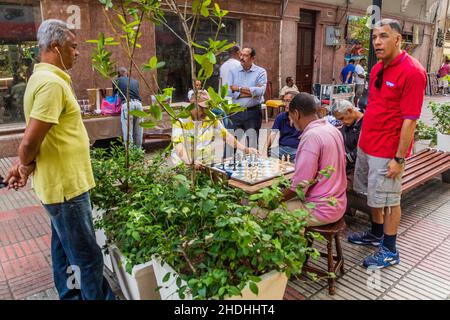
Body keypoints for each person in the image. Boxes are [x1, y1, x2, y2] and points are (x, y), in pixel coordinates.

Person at [5, 19, 114, 300]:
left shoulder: (42, 79)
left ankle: (70, 295)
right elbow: (30, 141)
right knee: (88, 257)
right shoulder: (51, 84)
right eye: (73, 47)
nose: (77, 52)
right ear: (55, 46)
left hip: (60, 187)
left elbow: (41, 138)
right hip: (67, 190)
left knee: (65, 250)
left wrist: (25, 166)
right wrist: (23, 164)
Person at [347, 19, 427, 269]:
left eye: (383, 36)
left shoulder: (413, 72)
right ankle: (376, 233)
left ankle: (390, 250)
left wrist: (399, 158)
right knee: (373, 196)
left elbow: (410, 121)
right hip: (368, 144)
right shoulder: (377, 68)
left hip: (388, 150)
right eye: (374, 37)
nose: (377, 42)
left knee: (391, 201)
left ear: (398, 39)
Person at [280, 93, 347, 226]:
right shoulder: (333, 129)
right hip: (338, 204)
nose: (291, 120)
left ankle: (293, 245)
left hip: (319, 210)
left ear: (296, 113)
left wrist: (271, 200)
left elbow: (299, 186)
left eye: (291, 116)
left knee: (257, 211)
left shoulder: (311, 136)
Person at [171, 90, 258, 166]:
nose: (206, 111)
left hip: (205, 164)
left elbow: (226, 136)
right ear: (192, 105)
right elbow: (178, 145)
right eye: (202, 108)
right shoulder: (180, 120)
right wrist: (190, 162)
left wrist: (245, 149)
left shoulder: (211, 118)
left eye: (208, 108)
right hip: (184, 166)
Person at [227, 47, 267, 147]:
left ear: (252, 58)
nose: (241, 57)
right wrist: (252, 92)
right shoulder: (233, 71)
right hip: (235, 112)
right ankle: (228, 163)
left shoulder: (260, 72)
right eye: (241, 55)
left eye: (245, 55)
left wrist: (238, 89)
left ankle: (252, 163)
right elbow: (229, 91)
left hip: (253, 113)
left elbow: (261, 91)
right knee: (230, 145)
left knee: (252, 145)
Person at [112, 66, 143, 148]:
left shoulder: (116, 81)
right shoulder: (135, 81)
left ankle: (130, 154)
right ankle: (138, 152)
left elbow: (114, 97)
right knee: (138, 131)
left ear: (118, 75)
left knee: (128, 132)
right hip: (139, 105)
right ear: (127, 74)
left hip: (127, 105)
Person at [266, 90, 301, 162]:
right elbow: (273, 134)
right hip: (282, 148)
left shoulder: (302, 117)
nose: (285, 104)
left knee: (299, 159)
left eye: (288, 101)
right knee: (270, 152)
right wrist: (264, 149)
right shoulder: (281, 116)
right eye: (284, 101)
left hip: (297, 150)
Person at [331, 99, 364, 173]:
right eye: (340, 120)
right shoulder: (348, 124)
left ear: (350, 111)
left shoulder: (365, 124)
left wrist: (345, 159)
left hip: (357, 169)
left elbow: (361, 149)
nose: (342, 122)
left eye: (342, 118)